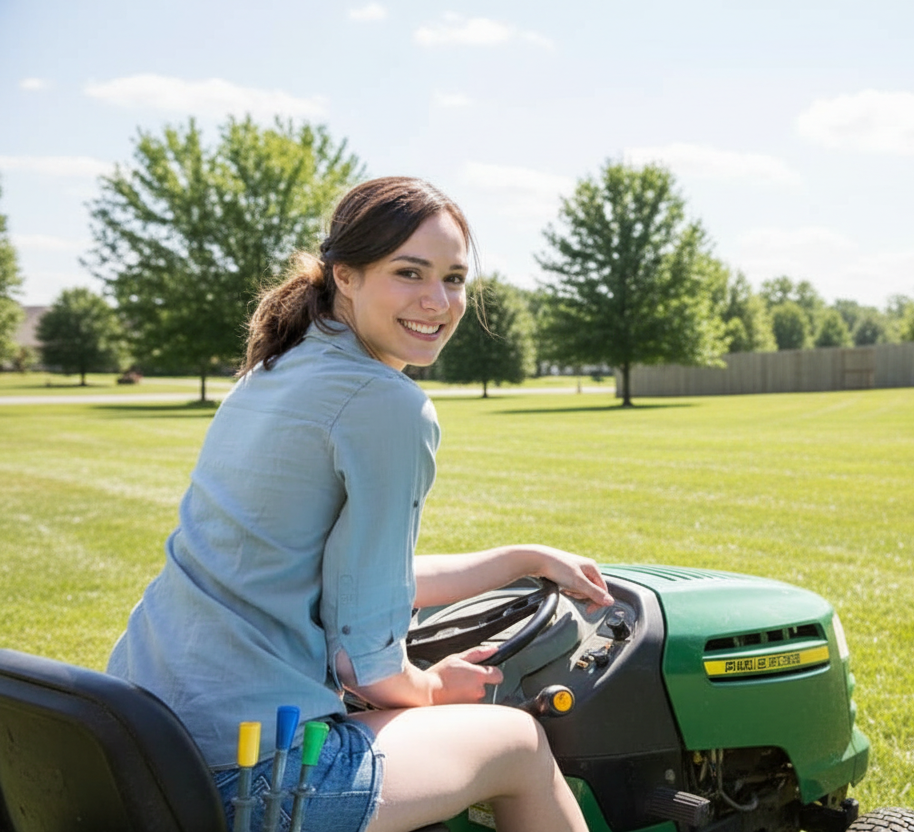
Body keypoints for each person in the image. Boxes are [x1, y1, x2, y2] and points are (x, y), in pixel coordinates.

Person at [107, 176, 611, 832]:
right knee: (517, 743)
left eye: (454, 278)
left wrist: (522, 558)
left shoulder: (274, 369)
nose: (437, 301)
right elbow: (367, 662)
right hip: (248, 771)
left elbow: (344, 580)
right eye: (410, 273)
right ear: (345, 275)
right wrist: (433, 689)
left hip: (140, 737)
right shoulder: (387, 403)